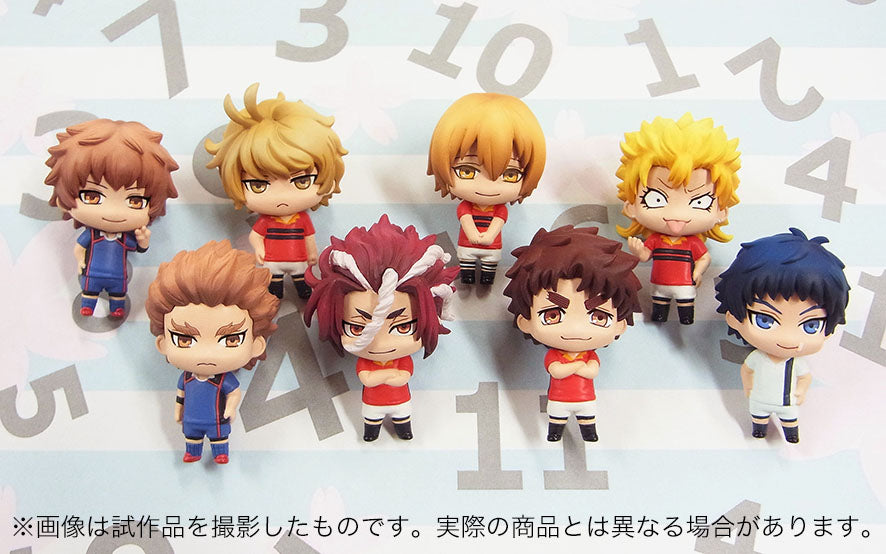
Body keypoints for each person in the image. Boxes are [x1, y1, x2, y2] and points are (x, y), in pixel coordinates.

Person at [304, 215, 458, 441]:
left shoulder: (398, 360)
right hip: (372, 403)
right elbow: (369, 380)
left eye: (403, 327)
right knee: (371, 421)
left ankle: (403, 429)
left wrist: (384, 376)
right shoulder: (368, 361)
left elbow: (399, 378)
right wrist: (389, 375)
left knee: (403, 418)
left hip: (400, 401)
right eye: (357, 329)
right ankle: (372, 432)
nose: (380, 343)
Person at [206, 82, 347, 299]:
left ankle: (303, 290)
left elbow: (309, 238)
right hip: (273, 260)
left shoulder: (302, 219)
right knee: (274, 284)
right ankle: (275, 294)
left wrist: (312, 254)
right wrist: (259, 249)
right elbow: (255, 236)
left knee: (302, 281)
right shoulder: (267, 221)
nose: (282, 196)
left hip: (299, 260)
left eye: (301, 181)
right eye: (259, 185)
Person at [503, 226, 642, 441]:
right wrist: (578, 366)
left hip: (586, 399)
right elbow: (557, 371)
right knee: (557, 417)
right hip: (558, 399)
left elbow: (591, 372)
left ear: (619, 325)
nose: (576, 328)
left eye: (599, 317)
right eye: (553, 315)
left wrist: (575, 367)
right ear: (525, 322)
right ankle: (555, 433)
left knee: (587, 417)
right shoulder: (560, 356)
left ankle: (589, 433)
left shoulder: (588, 356)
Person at [146, 241, 279, 463]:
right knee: (192, 438)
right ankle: (192, 451)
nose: (206, 353)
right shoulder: (186, 378)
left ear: (256, 345)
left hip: (217, 420)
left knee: (219, 438)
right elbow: (180, 396)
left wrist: (231, 409)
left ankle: (220, 453)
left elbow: (233, 393)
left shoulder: (223, 380)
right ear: (163, 344)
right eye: (185, 339)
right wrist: (178, 411)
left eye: (231, 339)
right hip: (191, 420)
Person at [715, 228, 849, 443]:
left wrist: (801, 391)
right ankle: (759, 430)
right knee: (758, 415)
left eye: (811, 325)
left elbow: (804, 377)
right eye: (765, 320)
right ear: (733, 318)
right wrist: (748, 387)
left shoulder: (795, 363)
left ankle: (791, 435)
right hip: (758, 400)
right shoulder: (756, 358)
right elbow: (747, 371)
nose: (788, 339)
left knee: (789, 418)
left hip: (787, 403)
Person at [45, 119, 179, 317]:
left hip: (118, 277)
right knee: (90, 289)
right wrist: (80, 261)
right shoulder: (92, 235)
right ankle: (88, 305)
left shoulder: (125, 238)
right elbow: (80, 248)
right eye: (92, 197)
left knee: (118, 293)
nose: (113, 212)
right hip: (93, 273)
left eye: (135, 201)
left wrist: (143, 241)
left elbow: (138, 248)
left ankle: (117, 308)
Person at [616, 113, 740, 324]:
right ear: (631, 206)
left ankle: (686, 317)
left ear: (722, 212)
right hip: (659, 283)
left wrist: (698, 272)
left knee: (685, 305)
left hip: (684, 284)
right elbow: (645, 256)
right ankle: (659, 314)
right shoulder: (655, 240)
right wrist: (638, 251)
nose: (677, 215)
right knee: (659, 304)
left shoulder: (692, 243)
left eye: (700, 201)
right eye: (655, 199)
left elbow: (704, 258)